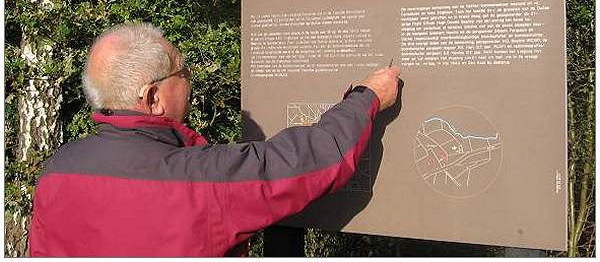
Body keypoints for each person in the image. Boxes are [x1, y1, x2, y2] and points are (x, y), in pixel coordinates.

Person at [28, 22, 401, 257]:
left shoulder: (58, 170)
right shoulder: (200, 179)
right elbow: (317, 159)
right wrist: (367, 97)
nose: (190, 82)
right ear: (153, 97)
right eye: (182, 73)